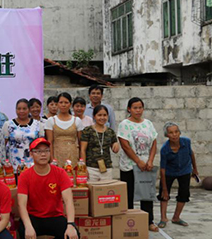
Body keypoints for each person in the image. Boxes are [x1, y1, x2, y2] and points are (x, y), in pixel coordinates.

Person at [17, 138, 79, 239]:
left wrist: (71, 224)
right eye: (38, 151)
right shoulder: (25, 175)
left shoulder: (60, 173)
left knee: (74, 236)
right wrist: (28, 226)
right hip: (34, 217)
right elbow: (21, 205)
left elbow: (68, 201)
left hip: (54, 216)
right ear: (31, 154)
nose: (43, 154)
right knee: (24, 228)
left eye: (46, 150)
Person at [117, 97, 158, 232]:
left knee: (147, 195)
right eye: (135, 108)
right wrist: (138, 161)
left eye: (140, 107)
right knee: (128, 195)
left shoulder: (148, 124)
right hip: (129, 166)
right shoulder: (124, 124)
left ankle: (149, 221)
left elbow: (153, 144)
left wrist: (150, 161)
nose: (138, 110)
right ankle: (129, 221)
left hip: (146, 166)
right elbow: (125, 146)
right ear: (129, 109)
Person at [157, 122, 198, 228]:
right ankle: (163, 218)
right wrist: (165, 189)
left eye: (176, 132)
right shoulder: (165, 149)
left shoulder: (186, 142)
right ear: (167, 135)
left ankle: (176, 217)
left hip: (184, 170)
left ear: (179, 132)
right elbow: (162, 169)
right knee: (164, 195)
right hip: (169, 172)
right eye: (171, 133)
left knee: (184, 194)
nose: (174, 134)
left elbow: (191, 154)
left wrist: (195, 169)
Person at [80, 105, 119, 182]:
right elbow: (82, 150)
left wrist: (116, 145)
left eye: (104, 115)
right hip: (91, 168)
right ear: (94, 116)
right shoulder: (87, 130)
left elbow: (115, 149)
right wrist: (84, 168)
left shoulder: (110, 132)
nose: (102, 117)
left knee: (105, 192)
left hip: (106, 168)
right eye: (99, 115)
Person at [45, 93, 84, 167]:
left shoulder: (77, 120)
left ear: (70, 104)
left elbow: (81, 142)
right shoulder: (51, 120)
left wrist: (81, 160)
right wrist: (52, 160)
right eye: (61, 102)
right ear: (57, 104)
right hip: (57, 155)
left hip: (73, 155)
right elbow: (50, 142)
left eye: (66, 102)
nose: (63, 105)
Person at [3, 99, 42, 170]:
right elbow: (3, 145)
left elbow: (41, 145)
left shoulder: (38, 124)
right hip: (13, 163)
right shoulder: (8, 124)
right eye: (19, 109)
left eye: (24, 109)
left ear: (29, 110)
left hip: (33, 162)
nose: (21, 111)